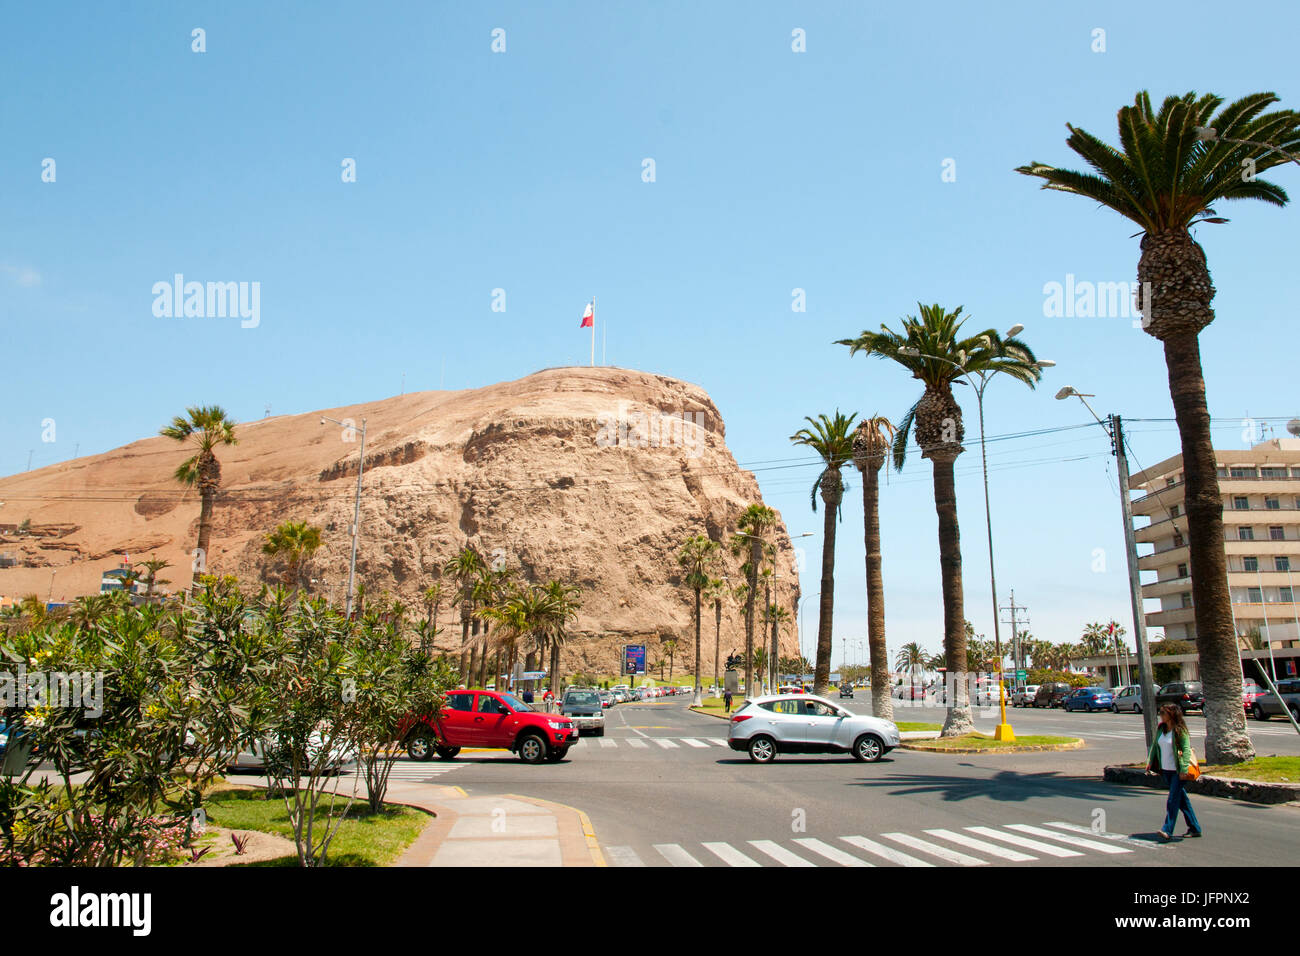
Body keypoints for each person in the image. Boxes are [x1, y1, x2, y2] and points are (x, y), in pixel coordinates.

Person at [1146, 703, 1203, 841]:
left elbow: (1186, 750)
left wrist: (1183, 770)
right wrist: (1150, 763)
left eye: (1163, 713)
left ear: (1171, 715)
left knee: (1172, 800)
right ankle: (1195, 828)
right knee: (1182, 801)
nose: (1160, 715)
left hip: (1178, 772)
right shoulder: (1161, 729)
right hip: (1166, 770)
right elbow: (1155, 746)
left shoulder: (1180, 731)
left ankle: (1167, 829)